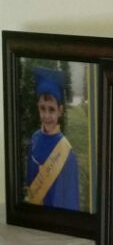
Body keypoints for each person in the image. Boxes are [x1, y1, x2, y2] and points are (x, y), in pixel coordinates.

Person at [25, 66, 80, 210]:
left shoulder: (67, 153)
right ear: (37, 107)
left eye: (51, 109)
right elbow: (30, 182)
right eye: (42, 108)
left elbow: (70, 199)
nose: (46, 115)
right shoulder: (34, 140)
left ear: (60, 111)